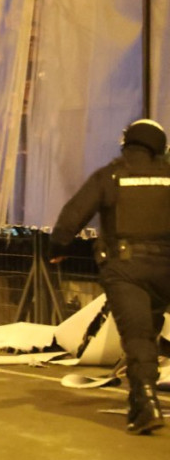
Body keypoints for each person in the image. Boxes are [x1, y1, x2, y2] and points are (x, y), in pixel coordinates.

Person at [50, 118, 169, 435]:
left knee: (138, 336)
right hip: (165, 269)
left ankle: (146, 402)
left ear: (127, 143)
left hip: (125, 269)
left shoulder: (111, 175)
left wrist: (58, 246)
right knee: (150, 330)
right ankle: (139, 401)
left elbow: (73, 215)